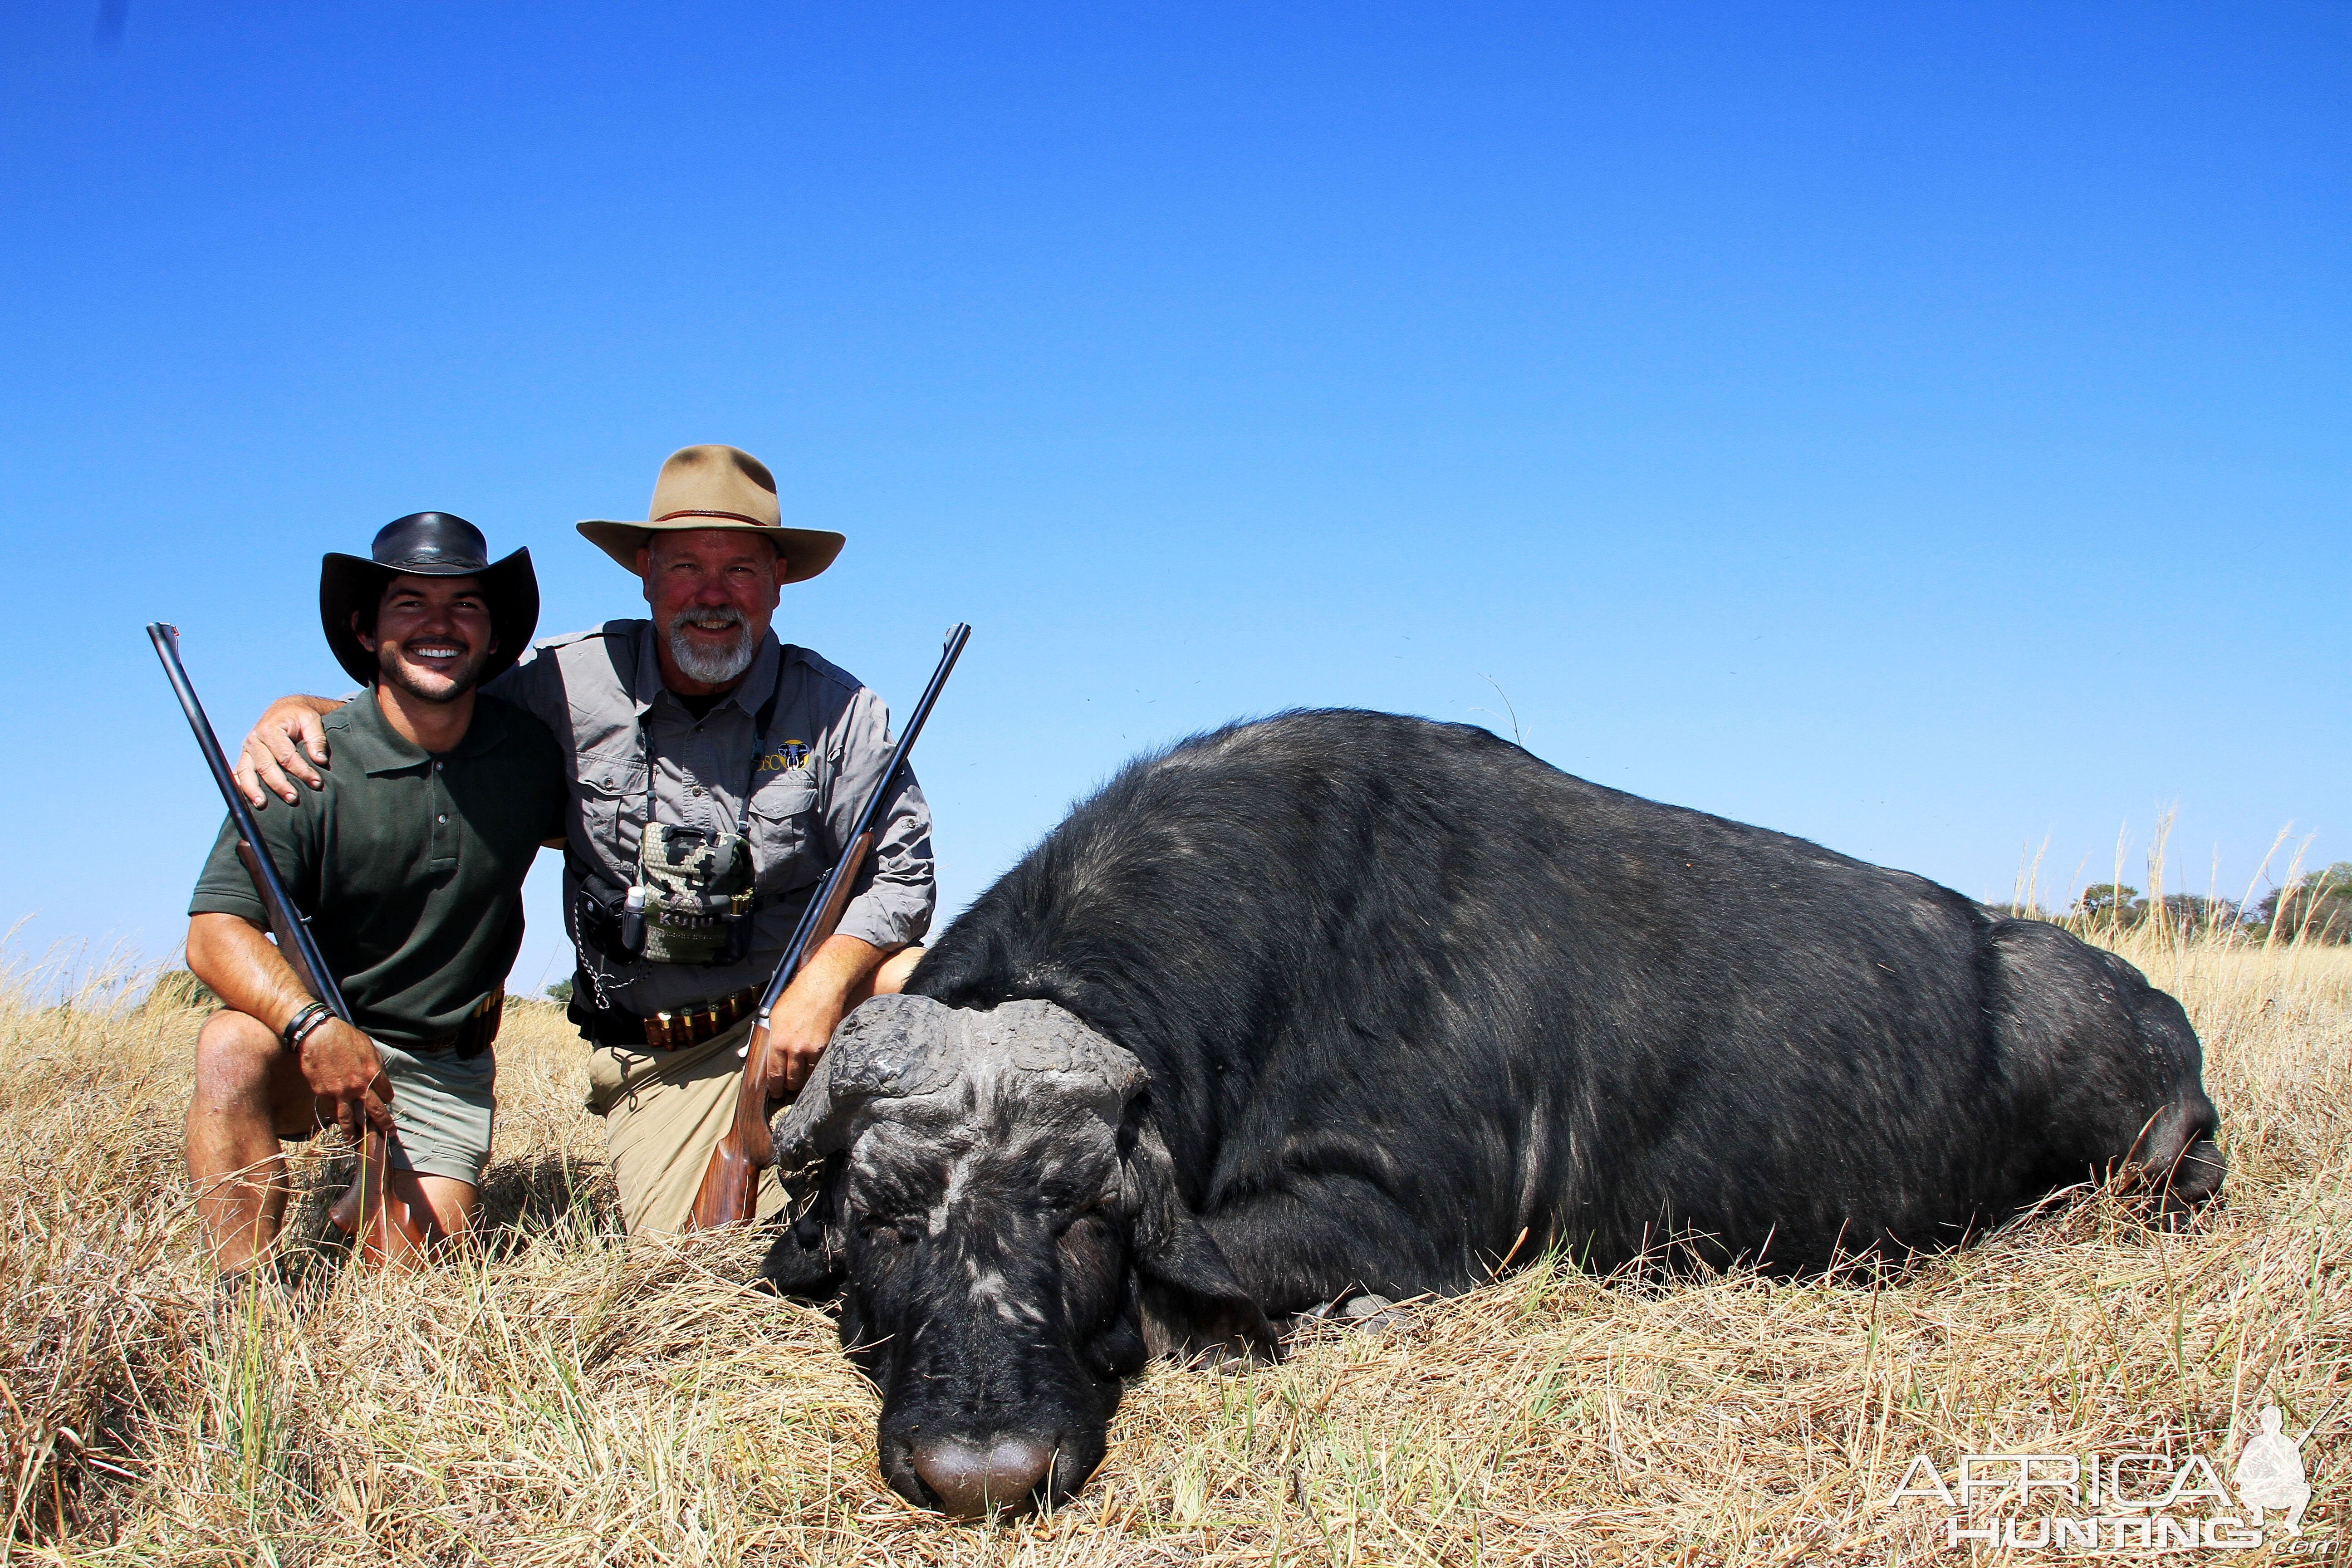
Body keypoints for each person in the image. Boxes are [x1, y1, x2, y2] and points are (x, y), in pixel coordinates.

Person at [235, 446, 935, 1235]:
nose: (713, 595)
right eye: (685, 568)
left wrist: (823, 985)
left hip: (805, 1019)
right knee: (703, 1268)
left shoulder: (845, 713)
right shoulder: (566, 681)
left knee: (917, 981)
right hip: (661, 1059)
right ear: (644, 572)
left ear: (779, 580)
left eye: (740, 569)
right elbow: (436, 713)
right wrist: (302, 706)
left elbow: (902, 878)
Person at [187, 514, 565, 1281]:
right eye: (410, 605)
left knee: (402, 1278)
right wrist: (313, 1025)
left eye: (465, 606)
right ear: (367, 632)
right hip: (310, 1039)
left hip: (441, 1060)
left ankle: (369, 1191)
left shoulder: (532, 754)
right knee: (228, 1049)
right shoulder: (301, 760)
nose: (439, 625)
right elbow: (213, 932)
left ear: (494, 639)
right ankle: (243, 1301)